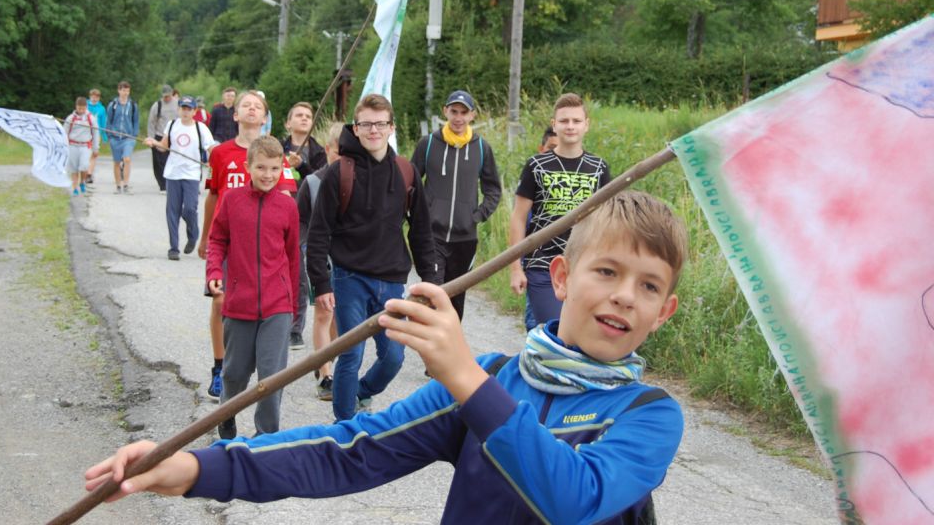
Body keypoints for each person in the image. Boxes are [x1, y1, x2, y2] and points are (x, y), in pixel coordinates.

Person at [84, 190, 688, 525]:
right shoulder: (500, 378)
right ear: (558, 277)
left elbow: (575, 500)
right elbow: (348, 452)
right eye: (606, 271)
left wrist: (464, 377)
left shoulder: (648, 415)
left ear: (664, 313)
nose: (623, 296)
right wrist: (193, 469)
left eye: (648, 286)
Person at [306, 93, 437, 421]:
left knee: (393, 357)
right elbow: (319, 233)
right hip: (349, 277)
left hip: (392, 280)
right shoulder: (339, 173)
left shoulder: (406, 172)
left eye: (380, 124)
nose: (374, 130)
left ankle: (360, 393)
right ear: (357, 127)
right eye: (366, 124)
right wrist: (321, 285)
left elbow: (421, 230)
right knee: (350, 354)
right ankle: (344, 427)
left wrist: (432, 280)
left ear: (391, 127)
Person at [197, 90, 297, 399]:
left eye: (258, 107)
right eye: (246, 106)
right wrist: (205, 238)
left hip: (268, 257)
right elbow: (214, 196)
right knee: (220, 302)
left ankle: (265, 437)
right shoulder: (221, 153)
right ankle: (220, 367)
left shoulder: (277, 157)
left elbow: (290, 229)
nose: (252, 111)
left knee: (271, 371)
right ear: (235, 114)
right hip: (232, 241)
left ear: (266, 117)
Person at [206, 135, 300, 440]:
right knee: (234, 375)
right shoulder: (232, 201)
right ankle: (226, 415)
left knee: (271, 378)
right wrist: (213, 273)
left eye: (274, 168)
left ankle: (265, 438)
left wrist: (295, 305)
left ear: (282, 168)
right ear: (248, 167)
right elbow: (217, 239)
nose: (268, 175)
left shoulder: (287, 207)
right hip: (239, 303)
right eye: (261, 167)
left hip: (277, 306)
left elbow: (292, 256)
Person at [510, 93, 612, 330]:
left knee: (582, 334)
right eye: (564, 121)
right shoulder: (536, 165)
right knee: (554, 331)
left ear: (586, 125)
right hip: (542, 265)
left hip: (585, 265)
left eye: (576, 121)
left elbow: (608, 220)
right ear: (554, 125)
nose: (570, 126)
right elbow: (518, 218)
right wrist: (515, 268)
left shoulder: (599, 169)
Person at [411, 90, 501, 322]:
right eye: (454, 111)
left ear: (472, 115)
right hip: (432, 235)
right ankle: (430, 346)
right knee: (434, 291)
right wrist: (419, 214)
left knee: (455, 298)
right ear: (445, 112)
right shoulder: (428, 144)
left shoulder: (482, 148)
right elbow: (411, 183)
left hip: (465, 238)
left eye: (464, 112)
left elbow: (493, 188)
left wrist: (478, 215)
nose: (458, 117)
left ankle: (447, 347)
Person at [295, 121, 343, 399]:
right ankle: (326, 375)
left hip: (347, 258)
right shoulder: (312, 182)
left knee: (336, 313)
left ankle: (325, 357)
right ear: (327, 150)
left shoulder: (355, 182)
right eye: (338, 152)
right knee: (323, 311)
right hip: (318, 256)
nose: (343, 159)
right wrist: (305, 246)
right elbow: (300, 219)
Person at [144, 95, 217, 261]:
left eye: (189, 109)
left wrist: (219, 158)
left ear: (194, 111)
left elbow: (212, 149)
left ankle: (193, 234)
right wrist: (153, 143)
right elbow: (164, 147)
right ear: (178, 110)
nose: (185, 111)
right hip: (173, 173)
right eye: (183, 108)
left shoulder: (201, 128)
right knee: (172, 211)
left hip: (191, 174)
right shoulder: (172, 125)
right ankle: (173, 248)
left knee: (190, 209)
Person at [282, 101, 328, 349]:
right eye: (298, 115)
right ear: (288, 123)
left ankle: (295, 327)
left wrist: (302, 166)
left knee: (300, 272)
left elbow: (322, 180)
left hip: (307, 218)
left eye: (308, 116)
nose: (303, 118)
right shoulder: (276, 148)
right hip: (279, 214)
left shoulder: (320, 151)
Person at [105, 81, 139, 194]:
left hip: (128, 137)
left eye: (127, 91)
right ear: (119, 90)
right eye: (123, 90)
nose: (125, 93)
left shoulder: (133, 105)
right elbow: (108, 120)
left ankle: (126, 184)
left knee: (127, 159)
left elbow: (135, 121)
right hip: (115, 138)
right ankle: (118, 185)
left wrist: (134, 135)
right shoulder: (113, 105)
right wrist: (109, 135)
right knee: (116, 162)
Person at [64, 96, 99, 196]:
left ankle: (82, 181)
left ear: (86, 107)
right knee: (74, 168)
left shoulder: (90, 118)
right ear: (76, 107)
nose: (81, 110)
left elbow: (95, 133)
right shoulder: (71, 118)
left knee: (84, 166)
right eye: (79, 108)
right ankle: (75, 187)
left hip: (85, 146)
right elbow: (64, 133)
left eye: (83, 108)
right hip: (72, 145)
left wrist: (96, 148)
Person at [148, 84, 179, 192]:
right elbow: (151, 122)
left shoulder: (178, 104)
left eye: (169, 96)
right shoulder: (158, 105)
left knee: (173, 160)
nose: (167, 98)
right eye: (165, 96)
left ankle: (172, 183)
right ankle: (163, 184)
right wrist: (151, 139)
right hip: (160, 135)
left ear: (172, 94)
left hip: (174, 136)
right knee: (159, 162)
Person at [86, 88, 107, 185]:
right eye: (93, 96)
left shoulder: (101, 109)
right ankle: (84, 172)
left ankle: (89, 174)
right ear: (90, 96)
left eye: (96, 97)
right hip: (85, 132)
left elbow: (103, 124)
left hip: (96, 133)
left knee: (94, 153)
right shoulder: (85, 105)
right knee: (86, 153)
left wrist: (104, 137)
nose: (94, 99)